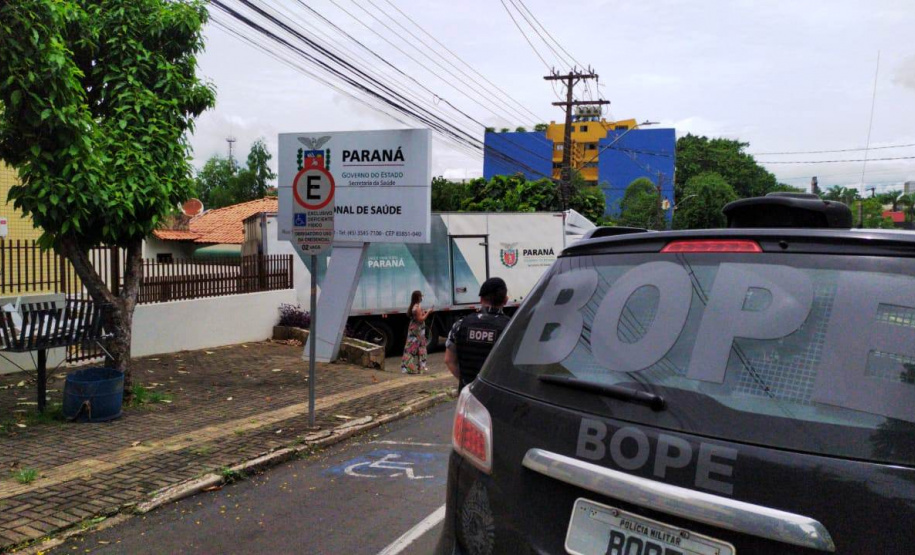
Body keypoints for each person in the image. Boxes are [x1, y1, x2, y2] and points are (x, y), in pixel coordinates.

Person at [445, 277, 511, 391]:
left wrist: (468, 383)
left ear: (480, 299)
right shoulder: (511, 328)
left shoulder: (460, 325)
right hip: (498, 396)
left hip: (469, 396)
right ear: (505, 300)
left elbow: (449, 360)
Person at [401, 290, 433, 374]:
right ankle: (418, 367)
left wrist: (424, 312)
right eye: (421, 296)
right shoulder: (417, 307)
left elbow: (417, 316)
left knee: (411, 349)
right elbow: (420, 319)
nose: (422, 298)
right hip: (417, 332)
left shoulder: (414, 306)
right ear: (418, 297)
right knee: (419, 349)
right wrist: (428, 312)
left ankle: (411, 367)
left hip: (414, 330)